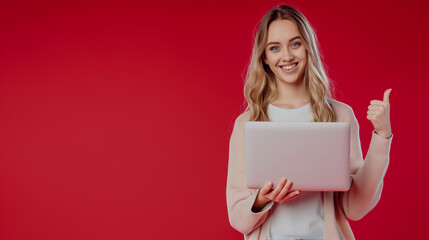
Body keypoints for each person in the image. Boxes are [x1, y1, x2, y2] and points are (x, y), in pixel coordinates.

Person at [226, 4, 393, 240]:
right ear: (264, 56)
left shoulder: (340, 115)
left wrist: (382, 137)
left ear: (308, 47)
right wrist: (263, 198)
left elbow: (355, 207)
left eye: (295, 43)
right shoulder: (247, 124)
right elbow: (237, 217)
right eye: (275, 48)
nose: (287, 56)